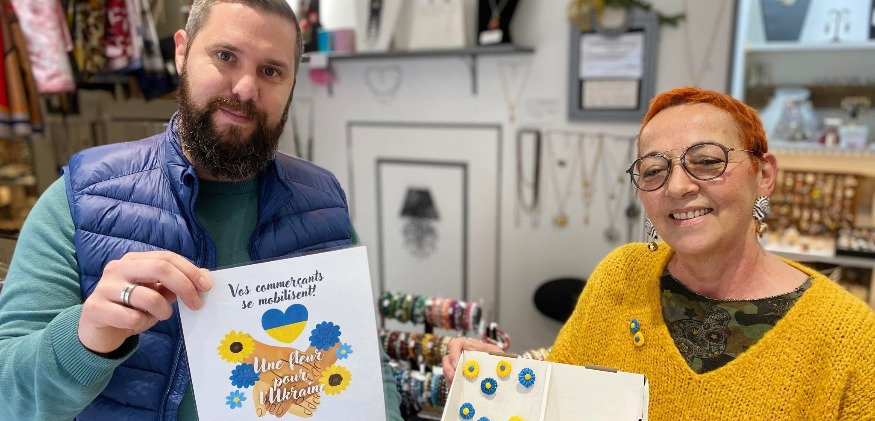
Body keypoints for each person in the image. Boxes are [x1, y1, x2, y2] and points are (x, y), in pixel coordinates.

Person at [0, 1, 402, 420]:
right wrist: (84, 339)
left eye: (271, 71)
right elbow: (7, 399)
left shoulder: (323, 203)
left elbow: (369, 371)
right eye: (225, 56)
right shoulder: (82, 200)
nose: (246, 88)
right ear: (182, 52)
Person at [444, 87, 875, 419]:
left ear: (763, 174)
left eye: (707, 161)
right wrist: (498, 380)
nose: (678, 186)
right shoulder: (621, 275)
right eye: (654, 170)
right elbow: (563, 390)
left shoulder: (849, 338)